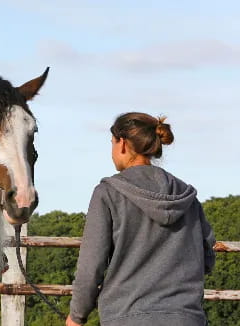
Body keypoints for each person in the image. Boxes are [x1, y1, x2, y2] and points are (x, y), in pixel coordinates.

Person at [66, 112, 216, 326]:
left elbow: (91, 267)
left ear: (123, 144)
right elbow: (207, 257)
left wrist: (76, 316)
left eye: (112, 143)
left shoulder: (108, 193)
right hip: (187, 318)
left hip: (126, 318)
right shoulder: (187, 196)